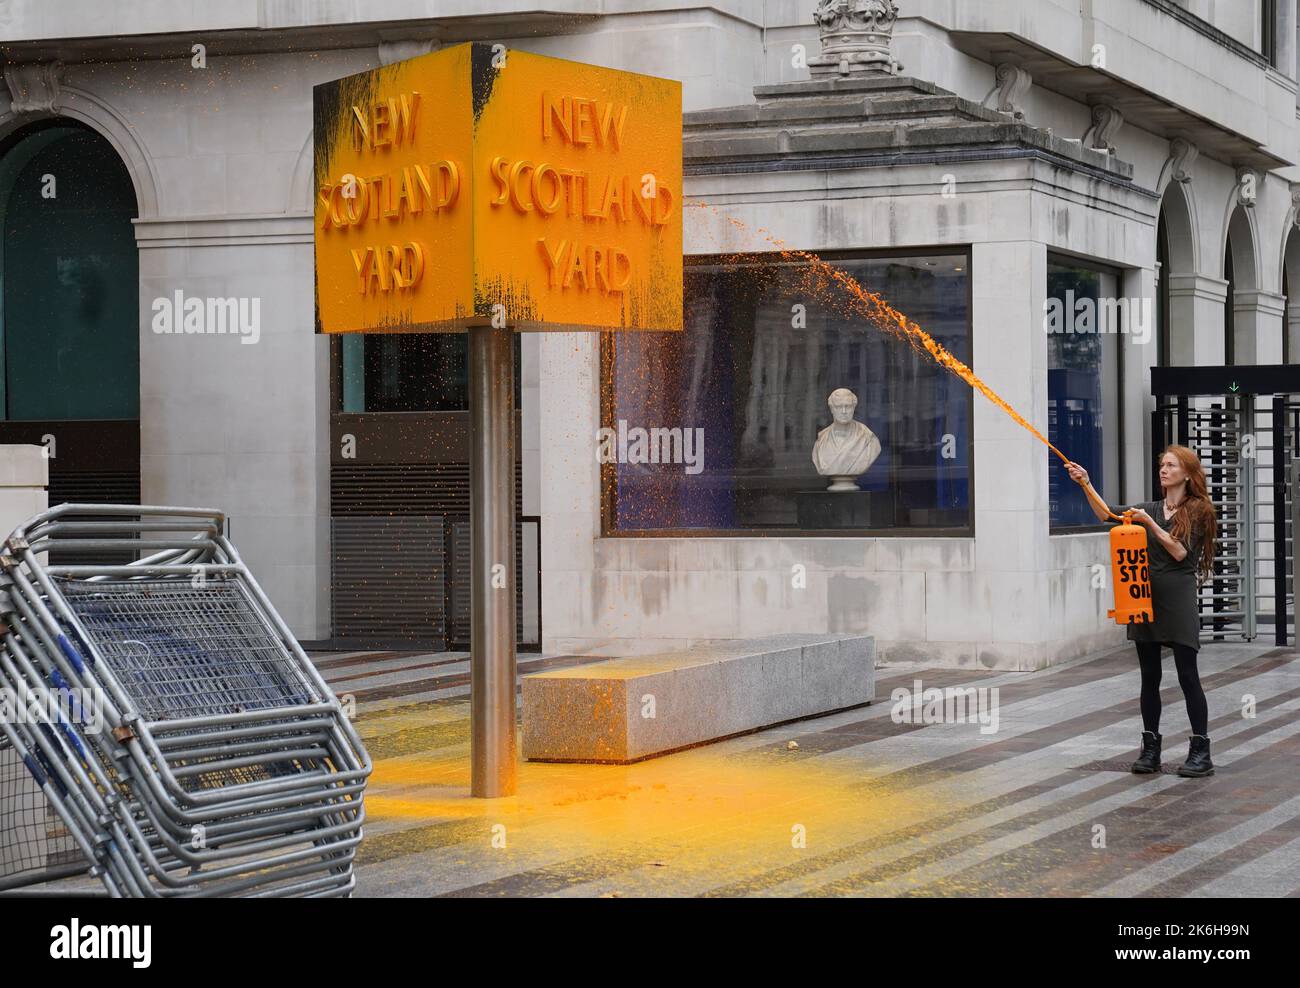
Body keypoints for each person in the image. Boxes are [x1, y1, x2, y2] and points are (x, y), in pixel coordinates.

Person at [1064, 446, 1218, 778]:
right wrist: (1086, 484)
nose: (1163, 470)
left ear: (1187, 474)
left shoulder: (1199, 510)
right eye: (1161, 464)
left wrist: (1150, 523)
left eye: (1171, 465)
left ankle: (1200, 752)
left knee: (1187, 675)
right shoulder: (1149, 507)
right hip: (1143, 597)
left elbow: (1179, 552)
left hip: (1176, 598)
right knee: (1149, 677)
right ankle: (1150, 750)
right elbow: (1107, 515)